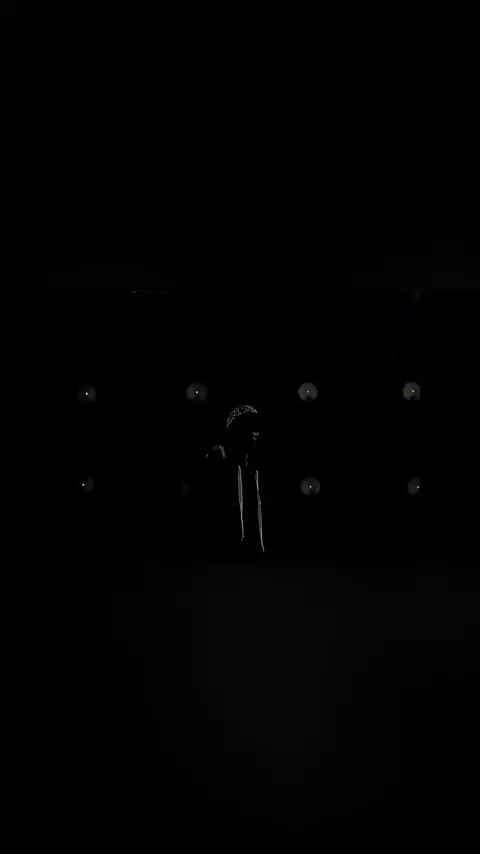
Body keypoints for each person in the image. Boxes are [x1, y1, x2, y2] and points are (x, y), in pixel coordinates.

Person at [202, 405, 269, 560]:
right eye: (247, 425)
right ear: (233, 431)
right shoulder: (216, 463)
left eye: (256, 426)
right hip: (222, 560)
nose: (253, 431)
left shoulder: (257, 472)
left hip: (255, 564)